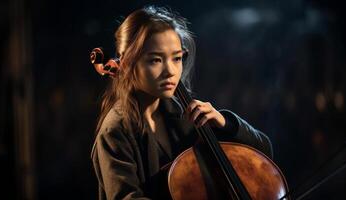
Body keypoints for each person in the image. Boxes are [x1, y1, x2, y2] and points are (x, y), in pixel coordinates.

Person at [91, 5, 273, 200]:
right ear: (126, 63)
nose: (171, 71)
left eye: (177, 58)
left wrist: (225, 123)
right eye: (155, 60)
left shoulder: (184, 115)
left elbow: (263, 156)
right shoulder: (115, 131)